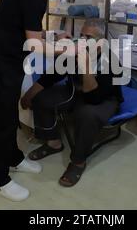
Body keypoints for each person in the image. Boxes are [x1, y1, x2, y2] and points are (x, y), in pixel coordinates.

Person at [0, 0, 81, 201]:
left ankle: (13, 158)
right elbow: (33, 45)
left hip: (8, 61)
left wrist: (54, 37)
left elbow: (27, 32)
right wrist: (67, 49)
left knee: (10, 116)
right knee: (3, 122)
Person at [21, 19, 124, 187]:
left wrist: (85, 66)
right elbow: (50, 78)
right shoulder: (73, 54)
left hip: (103, 98)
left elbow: (94, 99)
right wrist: (28, 96)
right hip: (77, 91)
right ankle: (53, 142)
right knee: (41, 98)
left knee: (87, 113)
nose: (82, 40)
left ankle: (78, 161)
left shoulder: (110, 62)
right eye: (81, 35)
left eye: (88, 37)